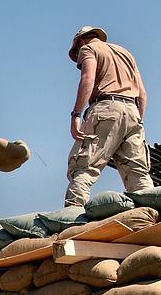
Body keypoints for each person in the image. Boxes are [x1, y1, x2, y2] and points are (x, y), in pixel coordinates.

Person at [64, 25, 154, 207]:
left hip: (105, 108)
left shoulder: (88, 48)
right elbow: (142, 94)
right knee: (138, 174)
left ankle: (71, 218)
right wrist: (137, 121)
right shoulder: (126, 53)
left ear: (81, 41)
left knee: (83, 167)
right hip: (132, 111)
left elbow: (87, 79)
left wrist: (76, 115)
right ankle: (151, 215)